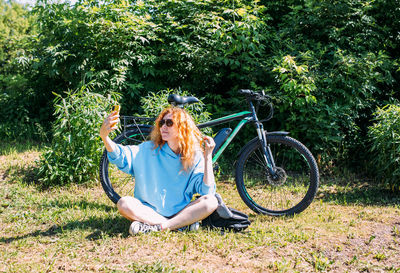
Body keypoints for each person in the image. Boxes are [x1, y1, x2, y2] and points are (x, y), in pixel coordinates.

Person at [99, 106, 218, 235]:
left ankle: (155, 226)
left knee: (211, 201)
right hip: (149, 211)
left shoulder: (194, 155)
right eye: (161, 123)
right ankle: (179, 226)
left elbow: (207, 191)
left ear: (182, 128)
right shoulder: (148, 149)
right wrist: (105, 138)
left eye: (169, 123)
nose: (163, 127)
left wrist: (207, 157)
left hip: (180, 211)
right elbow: (121, 155)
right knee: (124, 203)